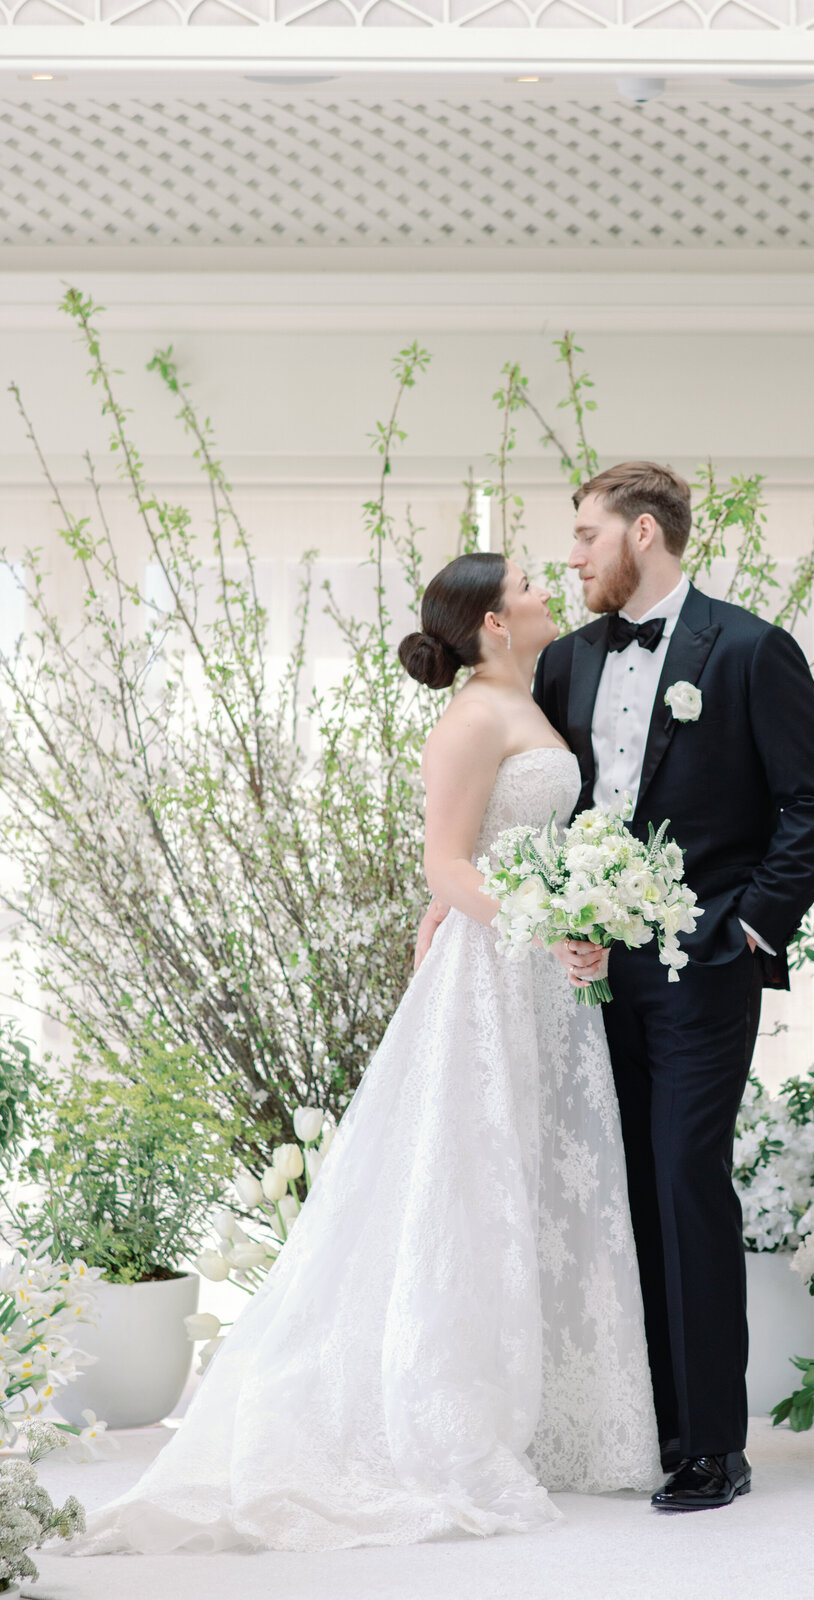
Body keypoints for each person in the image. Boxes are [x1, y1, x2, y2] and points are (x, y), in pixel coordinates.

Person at [68, 551, 660, 1558]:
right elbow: (444, 858)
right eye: (525, 583)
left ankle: (555, 1407)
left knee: (538, 1176)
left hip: (538, 974)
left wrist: (575, 914)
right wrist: (544, 918)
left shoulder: (535, 694)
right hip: (492, 969)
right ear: (492, 624)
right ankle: (442, 1411)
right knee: (469, 1183)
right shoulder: (472, 716)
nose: (544, 587)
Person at [423, 463, 814, 1512]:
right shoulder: (560, 662)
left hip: (702, 971)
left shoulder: (751, 650)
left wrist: (745, 928)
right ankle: (638, 1420)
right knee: (611, 1191)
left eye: (583, 536)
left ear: (642, 534)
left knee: (684, 1178)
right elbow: (525, 811)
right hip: (580, 983)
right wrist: (465, 892)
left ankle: (712, 1445)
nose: (570, 558)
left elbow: (812, 807)